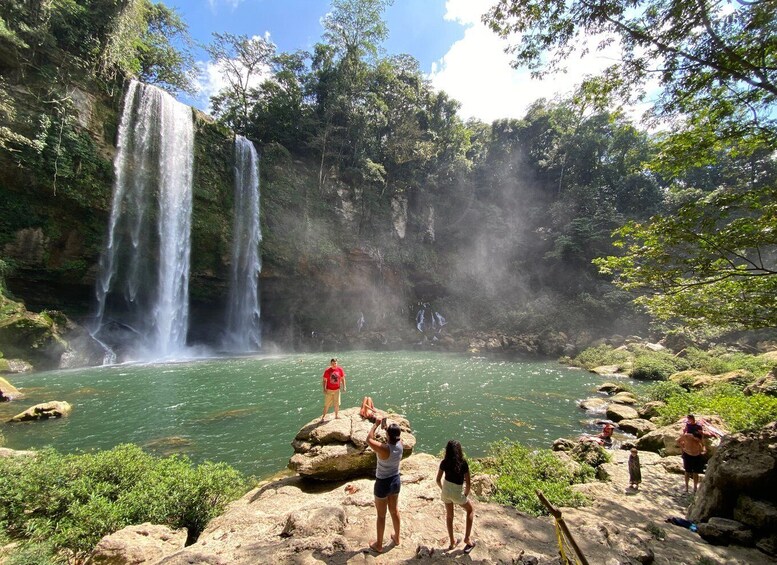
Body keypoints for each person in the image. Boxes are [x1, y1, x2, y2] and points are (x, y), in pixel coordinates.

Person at [367, 417, 402, 553]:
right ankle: (397, 538)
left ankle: (379, 545)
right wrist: (387, 428)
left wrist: (375, 426)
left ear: (388, 436)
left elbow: (369, 439)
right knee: (394, 511)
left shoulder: (383, 449)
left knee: (381, 516)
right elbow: (394, 437)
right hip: (395, 481)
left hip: (382, 483)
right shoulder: (400, 445)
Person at [436, 440, 476, 554]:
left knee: (449, 516)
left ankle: (452, 541)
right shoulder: (463, 463)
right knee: (470, 510)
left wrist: (442, 489)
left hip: (446, 491)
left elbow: (438, 480)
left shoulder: (444, 462)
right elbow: (468, 483)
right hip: (457, 492)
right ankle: (467, 538)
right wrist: (465, 495)